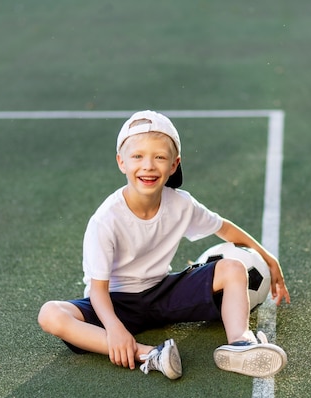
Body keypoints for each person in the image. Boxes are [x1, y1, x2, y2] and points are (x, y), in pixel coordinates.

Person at [38, 110, 290, 380]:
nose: (148, 165)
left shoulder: (180, 203)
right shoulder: (105, 220)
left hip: (163, 293)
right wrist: (114, 327)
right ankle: (150, 354)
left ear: (173, 164)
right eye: (138, 156)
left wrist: (268, 258)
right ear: (121, 162)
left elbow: (224, 228)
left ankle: (240, 343)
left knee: (233, 268)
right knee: (51, 314)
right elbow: (98, 291)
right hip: (117, 304)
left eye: (159, 157)